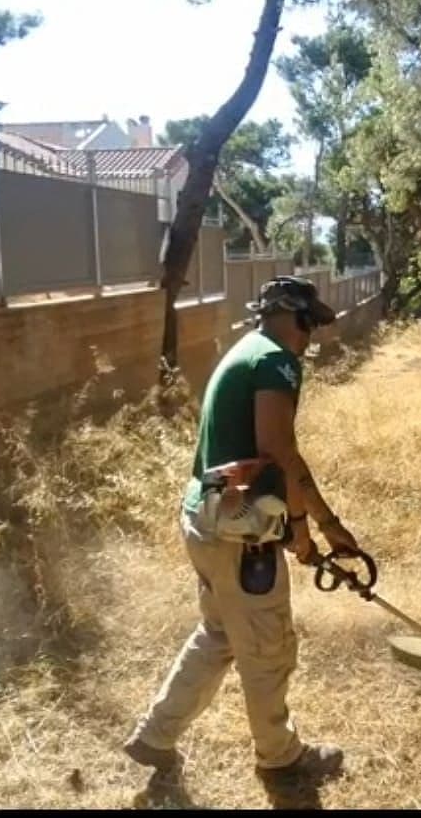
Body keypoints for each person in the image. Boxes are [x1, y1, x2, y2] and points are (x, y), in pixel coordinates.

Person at [124, 275, 361, 784]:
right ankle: (281, 758)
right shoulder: (276, 361)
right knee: (269, 648)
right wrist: (306, 528)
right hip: (238, 536)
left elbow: (276, 458)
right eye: (309, 327)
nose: (310, 339)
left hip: (204, 521)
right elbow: (279, 451)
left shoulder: (246, 350)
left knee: (220, 635)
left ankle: (155, 736)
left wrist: (322, 525)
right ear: (294, 317)